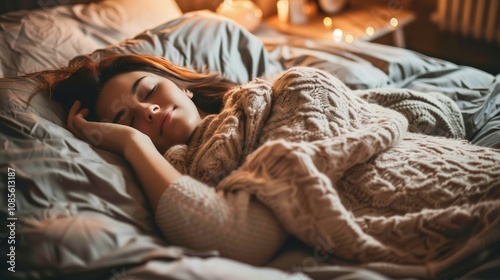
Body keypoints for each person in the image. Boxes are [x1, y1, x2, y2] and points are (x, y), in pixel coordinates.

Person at [50, 53, 500, 278]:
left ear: (182, 87)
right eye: (126, 119)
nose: (145, 113)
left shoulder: (285, 92)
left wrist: (129, 139)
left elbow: (242, 238)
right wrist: (129, 144)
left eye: (149, 92)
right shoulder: (184, 171)